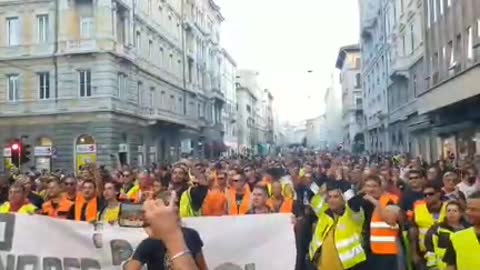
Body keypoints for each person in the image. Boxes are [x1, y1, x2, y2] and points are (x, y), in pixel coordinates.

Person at [126, 191, 207, 270]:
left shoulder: (191, 234)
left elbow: (202, 266)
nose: (174, 208)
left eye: (175, 204)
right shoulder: (150, 242)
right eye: (168, 205)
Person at [309, 180, 366, 270]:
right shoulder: (324, 214)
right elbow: (314, 201)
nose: (331, 200)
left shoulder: (353, 217)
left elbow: (353, 203)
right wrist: (323, 181)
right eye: (329, 197)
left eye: (336, 197)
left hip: (348, 267)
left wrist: (341, 182)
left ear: (344, 200)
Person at [410, 182, 448, 269]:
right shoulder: (418, 209)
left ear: (438, 194)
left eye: (431, 194)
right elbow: (413, 231)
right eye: (425, 195)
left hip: (447, 252)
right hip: (425, 253)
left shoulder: (449, 208)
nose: (427, 196)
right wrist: (414, 253)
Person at [424, 201, 468, 270]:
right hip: (442, 266)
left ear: (461, 213)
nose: (451, 213)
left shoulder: (467, 229)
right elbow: (430, 247)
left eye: (455, 211)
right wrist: (433, 266)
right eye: (448, 210)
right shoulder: (437, 228)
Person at [442, 191, 480, 270]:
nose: (468, 212)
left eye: (473, 209)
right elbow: (450, 267)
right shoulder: (457, 238)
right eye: (467, 209)